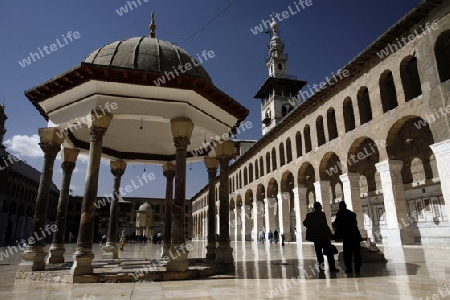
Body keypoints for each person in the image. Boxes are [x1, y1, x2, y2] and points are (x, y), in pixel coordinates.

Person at [303, 202, 340, 272]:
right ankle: (332, 268)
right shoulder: (321, 214)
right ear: (319, 207)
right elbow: (324, 225)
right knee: (329, 252)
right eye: (321, 206)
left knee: (319, 254)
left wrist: (311, 225)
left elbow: (304, 223)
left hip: (316, 238)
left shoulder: (309, 215)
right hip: (323, 237)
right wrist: (329, 235)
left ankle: (321, 268)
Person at [332, 201, 362, 275]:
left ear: (340, 207)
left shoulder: (340, 214)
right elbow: (355, 223)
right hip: (355, 235)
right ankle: (357, 268)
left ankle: (349, 269)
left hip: (347, 236)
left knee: (347, 253)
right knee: (357, 252)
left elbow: (336, 224)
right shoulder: (352, 214)